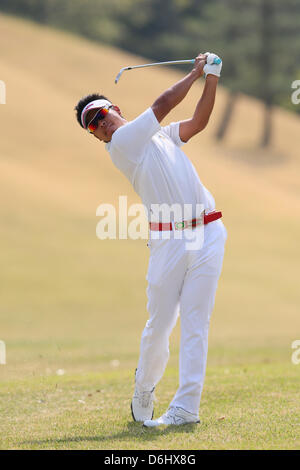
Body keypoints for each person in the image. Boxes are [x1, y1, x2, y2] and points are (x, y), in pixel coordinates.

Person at [74, 52, 227, 427]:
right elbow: (161, 105)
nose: (101, 125)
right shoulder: (123, 145)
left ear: (115, 108)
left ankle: (186, 409)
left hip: (207, 232)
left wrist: (212, 77)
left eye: (101, 115)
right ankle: (145, 385)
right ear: (96, 136)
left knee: (196, 322)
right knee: (160, 324)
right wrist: (194, 72)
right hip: (168, 242)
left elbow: (199, 122)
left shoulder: (159, 135)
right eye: (93, 126)